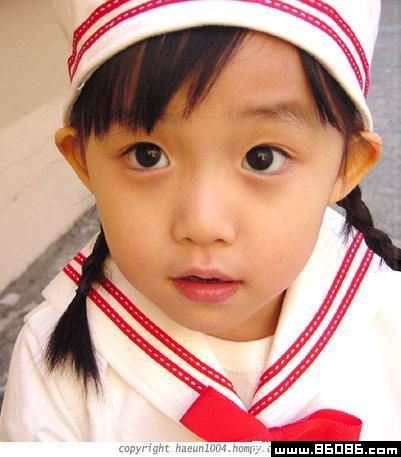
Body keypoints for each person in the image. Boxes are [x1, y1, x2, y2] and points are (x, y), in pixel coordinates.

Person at [0, 0, 400, 442]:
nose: (203, 224)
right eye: (147, 155)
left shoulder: (389, 322)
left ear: (347, 165)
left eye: (262, 158)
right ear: (83, 161)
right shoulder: (52, 365)